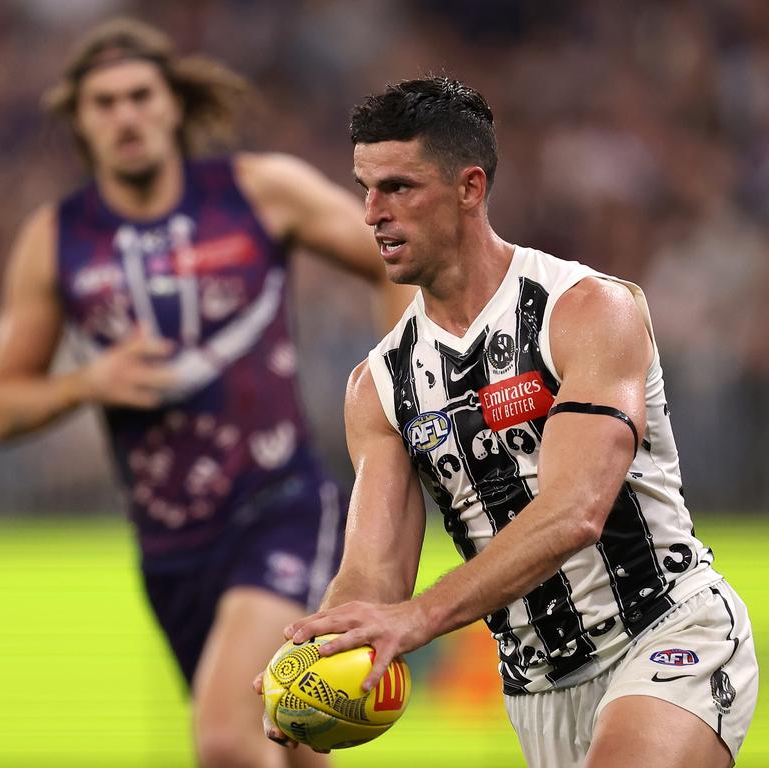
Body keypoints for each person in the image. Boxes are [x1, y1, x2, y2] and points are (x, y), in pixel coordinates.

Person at [257, 76, 758, 767]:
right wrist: (314, 654)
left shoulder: (585, 311)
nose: (371, 212)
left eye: (399, 187)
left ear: (469, 188)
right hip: (536, 691)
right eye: (365, 188)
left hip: (666, 632)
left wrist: (422, 617)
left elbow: (576, 509)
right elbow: (373, 576)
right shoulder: (376, 386)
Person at [0, 17, 408, 768]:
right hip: (170, 547)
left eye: (140, 94)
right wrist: (87, 381)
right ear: (80, 123)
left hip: (278, 505)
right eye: (103, 103)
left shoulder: (255, 191)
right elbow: (0, 406)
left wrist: (400, 387)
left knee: (224, 741)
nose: (126, 115)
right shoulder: (57, 240)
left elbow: (387, 257)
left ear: (173, 103)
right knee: (295, 738)